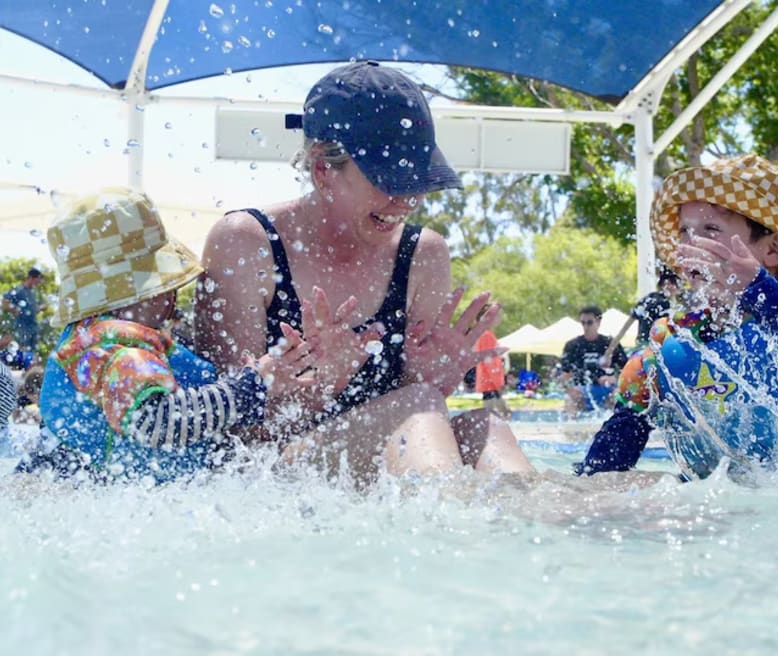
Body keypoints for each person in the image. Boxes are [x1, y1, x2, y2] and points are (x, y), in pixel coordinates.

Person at [195, 60, 533, 485]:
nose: (407, 200)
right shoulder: (245, 243)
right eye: (390, 179)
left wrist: (427, 377)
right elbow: (227, 433)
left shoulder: (423, 255)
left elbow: (411, 414)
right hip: (269, 474)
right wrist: (325, 388)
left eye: (418, 180)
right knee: (418, 405)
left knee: (486, 427)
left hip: (373, 471)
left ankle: (548, 520)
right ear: (322, 169)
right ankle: (453, 521)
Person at [575, 154, 778, 481]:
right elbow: (603, 469)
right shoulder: (667, 344)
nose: (690, 245)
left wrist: (757, 288)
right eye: (684, 231)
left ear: (773, 249)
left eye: (711, 230)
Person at [17, 189, 309, 484]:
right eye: (166, 283)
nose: (173, 294)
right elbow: (155, 422)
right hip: (90, 490)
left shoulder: (95, 339)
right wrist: (251, 386)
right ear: (143, 291)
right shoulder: (119, 351)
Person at [559, 305, 627, 417]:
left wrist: (613, 378)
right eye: (583, 323)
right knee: (569, 400)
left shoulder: (610, 344)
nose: (586, 327)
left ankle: (616, 423)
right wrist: (569, 389)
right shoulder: (572, 346)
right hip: (582, 391)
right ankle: (571, 425)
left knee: (618, 396)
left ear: (598, 322)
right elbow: (564, 375)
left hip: (607, 390)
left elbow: (627, 370)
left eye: (589, 322)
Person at [1, 267, 44, 364]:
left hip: (33, 326)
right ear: (31, 278)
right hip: (23, 327)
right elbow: (4, 301)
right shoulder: (19, 290)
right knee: (23, 350)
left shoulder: (32, 292)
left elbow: (32, 308)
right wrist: (14, 310)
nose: (39, 282)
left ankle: (31, 370)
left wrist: (38, 309)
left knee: (33, 353)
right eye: (38, 279)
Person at [475, 329, 511, 419]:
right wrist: (498, 383)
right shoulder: (487, 336)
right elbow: (490, 362)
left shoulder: (483, 335)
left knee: (490, 412)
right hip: (490, 382)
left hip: (487, 381)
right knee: (503, 412)